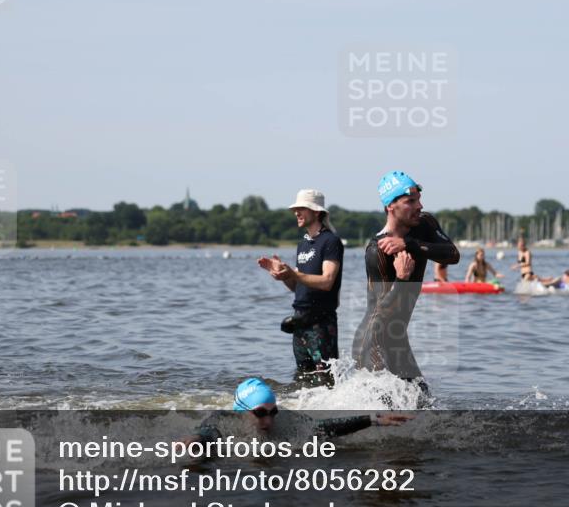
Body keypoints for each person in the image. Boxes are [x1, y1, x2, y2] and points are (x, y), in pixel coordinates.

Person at [351, 171, 460, 391]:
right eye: (410, 201)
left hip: (398, 339)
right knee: (389, 417)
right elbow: (380, 314)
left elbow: (452, 255)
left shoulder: (424, 224)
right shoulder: (378, 251)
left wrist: (409, 245)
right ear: (390, 206)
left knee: (423, 405)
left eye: (419, 199)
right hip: (373, 343)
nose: (419, 206)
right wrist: (401, 279)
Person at [184, 379, 411, 458]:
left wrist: (373, 419)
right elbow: (209, 431)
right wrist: (196, 440)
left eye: (273, 412)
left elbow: (323, 428)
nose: (268, 421)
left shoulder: (287, 421)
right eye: (260, 413)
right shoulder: (225, 420)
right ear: (242, 411)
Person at [257, 190, 343, 382]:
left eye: (302, 208)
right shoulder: (303, 244)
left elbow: (327, 281)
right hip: (299, 322)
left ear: (317, 212)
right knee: (303, 380)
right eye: (295, 209)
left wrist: (294, 273)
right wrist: (284, 276)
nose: (296, 212)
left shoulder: (331, 241)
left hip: (321, 323)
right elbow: (299, 287)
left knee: (326, 380)